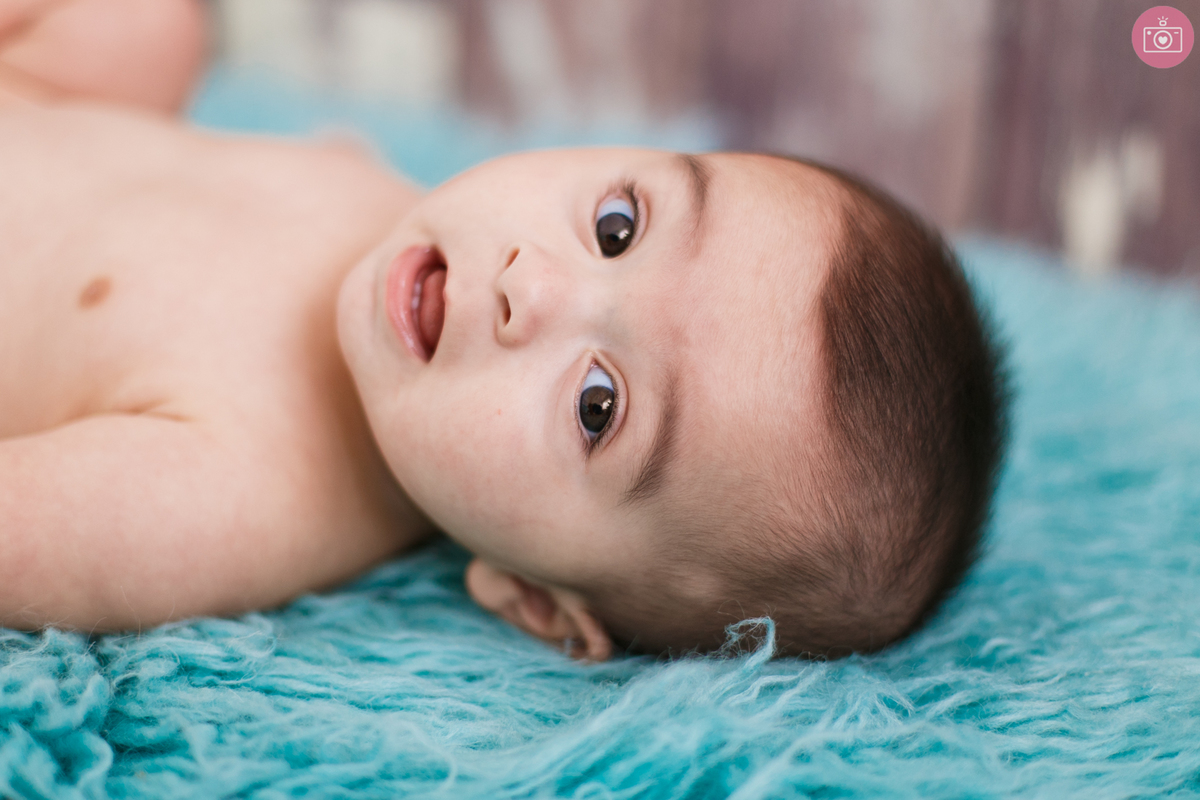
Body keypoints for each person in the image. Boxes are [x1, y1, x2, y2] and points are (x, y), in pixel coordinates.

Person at [0, 0, 1006, 660]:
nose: (536, 286)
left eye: (597, 404)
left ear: (533, 596)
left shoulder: (246, 488)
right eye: (620, 225)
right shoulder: (380, 193)